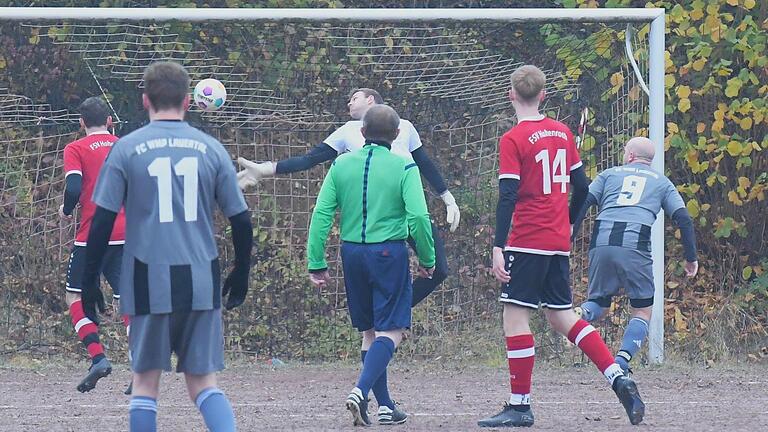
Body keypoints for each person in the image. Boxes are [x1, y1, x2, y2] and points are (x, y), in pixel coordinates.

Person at [80, 61, 253, 432]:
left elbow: (102, 220)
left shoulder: (126, 149)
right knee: (203, 384)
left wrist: (89, 277)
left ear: (145, 100)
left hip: (146, 278)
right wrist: (242, 271)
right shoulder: (211, 149)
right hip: (201, 279)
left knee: (145, 384)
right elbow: (241, 219)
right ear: (188, 101)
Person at [478, 65, 645, 428]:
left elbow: (508, 195)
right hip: (556, 239)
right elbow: (583, 189)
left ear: (511, 94)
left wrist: (497, 245)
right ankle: (617, 376)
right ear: (543, 95)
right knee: (561, 315)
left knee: (515, 317)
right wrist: (569, 223)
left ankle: (520, 405)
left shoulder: (513, 139)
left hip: (527, 238)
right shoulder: (563, 131)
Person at [236, 88, 455, 306]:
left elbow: (423, 162)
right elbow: (310, 159)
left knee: (438, 270)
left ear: (371, 99)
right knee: (377, 296)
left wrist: (447, 197)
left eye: (354, 98)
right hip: (373, 221)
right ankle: (388, 321)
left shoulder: (404, 127)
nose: (348, 104)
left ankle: (394, 312)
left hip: (406, 212)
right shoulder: (349, 130)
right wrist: (265, 169)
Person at [306, 104, 435, 426]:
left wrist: (316, 261)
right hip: (388, 253)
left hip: (352, 253)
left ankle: (386, 407)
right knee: (392, 331)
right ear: (396, 135)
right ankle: (360, 390)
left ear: (361, 133)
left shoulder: (340, 165)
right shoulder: (405, 167)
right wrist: (428, 258)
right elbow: (418, 217)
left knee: (369, 332)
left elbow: (322, 214)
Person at [571, 136, 698, 374]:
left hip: (601, 241)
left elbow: (583, 202)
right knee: (642, 309)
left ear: (629, 156)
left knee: (599, 302)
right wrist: (691, 257)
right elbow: (683, 218)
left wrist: (569, 234)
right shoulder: (662, 182)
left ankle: (581, 313)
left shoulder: (608, 174)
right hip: (634, 243)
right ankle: (622, 360)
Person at [60, 96, 128, 393]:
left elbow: (74, 187)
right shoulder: (123, 146)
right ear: (110, 121)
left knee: (74, 298)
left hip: (92, 237)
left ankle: (98, 358)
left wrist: (65, 210)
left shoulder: (75, 148)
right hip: (126, 233)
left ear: (81, 123)